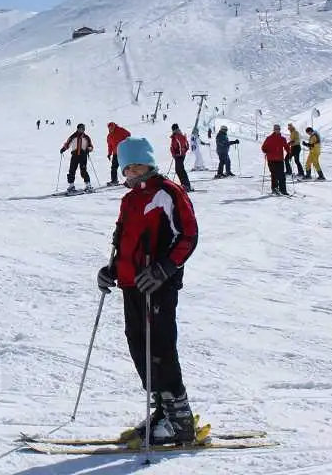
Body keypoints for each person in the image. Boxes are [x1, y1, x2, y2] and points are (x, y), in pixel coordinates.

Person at [96, 137, 199, 444]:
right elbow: (124, 243)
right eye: (127, 166)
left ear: (150, 163)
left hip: (158, 286)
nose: (132, 171)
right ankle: (163, 410)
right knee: (139, 347)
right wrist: (112, 271)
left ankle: (180, 421)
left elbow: (188, 236)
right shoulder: (128, 200)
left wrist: (165, 268)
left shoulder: (168, 192)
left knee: (161, 348)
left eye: (137, 164)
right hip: (132, 285)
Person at [60, 123, 94, 193]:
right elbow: (67, 144)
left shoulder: (86, 137)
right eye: (80, 128)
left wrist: (89, 149)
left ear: (84, 130)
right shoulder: (73, 136)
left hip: (83, 155)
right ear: (77, 129)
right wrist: (63, 149)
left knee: (83, 170)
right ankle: (71, 185)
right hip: (75, 155)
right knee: (72, 170)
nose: (81, 130)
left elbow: (91, 146)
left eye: (82, 129)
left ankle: (88, 185)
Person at [261, 124, 291, 195]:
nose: (277, 130)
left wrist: (289, 152)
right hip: (271, 159)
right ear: (274, 130)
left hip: (280, 159)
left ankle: (283, 190)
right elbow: (263, 147)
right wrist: (265, 151)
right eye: (276, 129)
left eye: (278, 129)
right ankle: (274, 189)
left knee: (282, 175)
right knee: (274, 174)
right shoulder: (269, 138)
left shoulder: (282, 139)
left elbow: (286, 146)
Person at [169, 124, 193, 192]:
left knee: (180, 170)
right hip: (178, 156)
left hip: (179, 156)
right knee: (179, 170)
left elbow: (182, 145)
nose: (173, 130)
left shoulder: (178, 136)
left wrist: (177, 153)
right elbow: (173, 146)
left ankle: (186, 185)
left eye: (174, 129)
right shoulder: (175, 136)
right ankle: (185, 185)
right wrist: (174, 153)